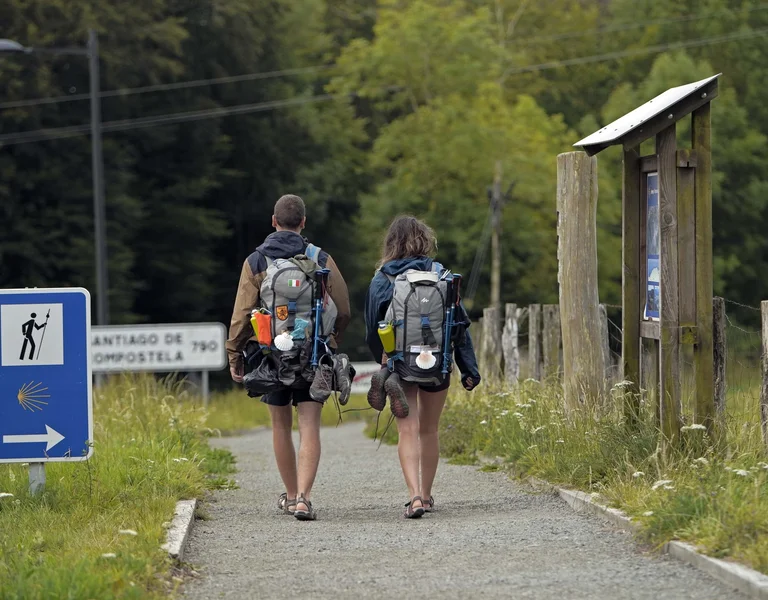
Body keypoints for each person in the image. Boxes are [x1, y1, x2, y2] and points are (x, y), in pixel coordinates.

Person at [227, 194, 351, 521]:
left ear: (273, 221)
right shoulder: (320, 258)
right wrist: (332, 339)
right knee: (309, 426)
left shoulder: (256, 261)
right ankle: (305, 500)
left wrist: (234, 355)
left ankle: (291, 494)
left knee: (280, 426)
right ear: (303, 223)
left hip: (271, 356)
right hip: (313, 353)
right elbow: (344, 308)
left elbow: (241, 315)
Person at [364, 215, 481, 519]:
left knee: (408, 430)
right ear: (425, 241)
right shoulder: (443, 276)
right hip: (438, 362)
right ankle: (427, 496)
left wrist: (384, 359)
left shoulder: (382, 279)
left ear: (391, 243)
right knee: (429, 430)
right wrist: (468, 368)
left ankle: (414, 496)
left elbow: (373, 327)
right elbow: (459, 325)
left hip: (400, 363)